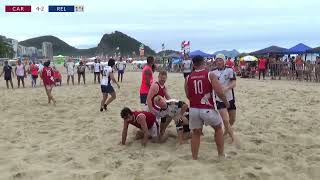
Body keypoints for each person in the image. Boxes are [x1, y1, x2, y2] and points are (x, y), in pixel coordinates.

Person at [185, 55, 229, 160]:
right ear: (203, 62)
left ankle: (194, 158)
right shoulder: (210, 75)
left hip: (194, 108)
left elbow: (188, 95)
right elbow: (219, 92)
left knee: (196, 133)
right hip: (207, 108)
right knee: (218, 128)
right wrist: (226, 103)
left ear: (194, 64)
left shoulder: (188, 77)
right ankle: (221, 155)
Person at [212, 54, 237, 142]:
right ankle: (233, 139)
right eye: (217, 60)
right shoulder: (213, 72)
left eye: (220, 60)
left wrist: (226, 88)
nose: (218, 62)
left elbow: (234, 83)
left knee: (232, 119)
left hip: (230, 97)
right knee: (225, 120)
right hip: (219, 99)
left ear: (224, 61)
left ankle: (226, 132)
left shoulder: (229, 70)